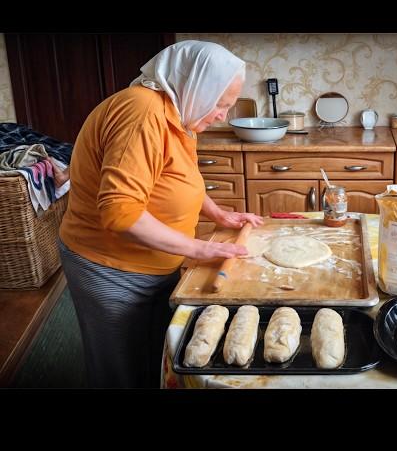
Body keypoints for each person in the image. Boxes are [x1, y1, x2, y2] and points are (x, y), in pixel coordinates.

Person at [57, 40, 263, 388]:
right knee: (119, 369)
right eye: (220, 104)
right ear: (197, 86)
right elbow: (121, 212)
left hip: (154, 262)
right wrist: (198, 248)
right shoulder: (142, 114)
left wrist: (217, 213)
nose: (222, 116)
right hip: (112, 267)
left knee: (152, 354)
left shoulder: (180, 112)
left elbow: (176, 177)